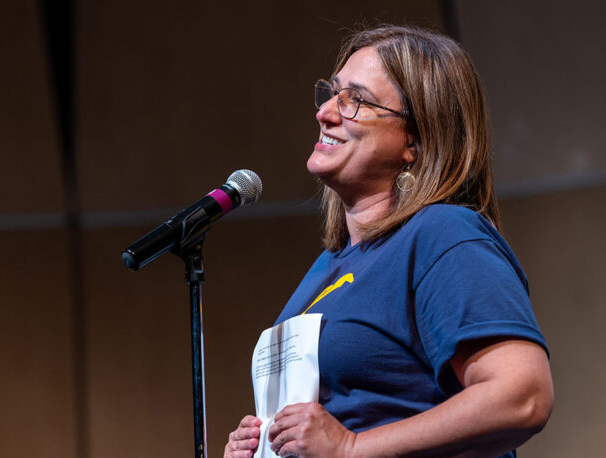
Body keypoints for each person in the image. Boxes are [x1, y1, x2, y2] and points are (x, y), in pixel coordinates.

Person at [224, 25, 553, 458]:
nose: (325, 112)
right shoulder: (328, 266)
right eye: (332, 93)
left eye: (355, 100)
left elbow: (522, 395)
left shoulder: (442, 233)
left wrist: (351, 447)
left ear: (414, 140)